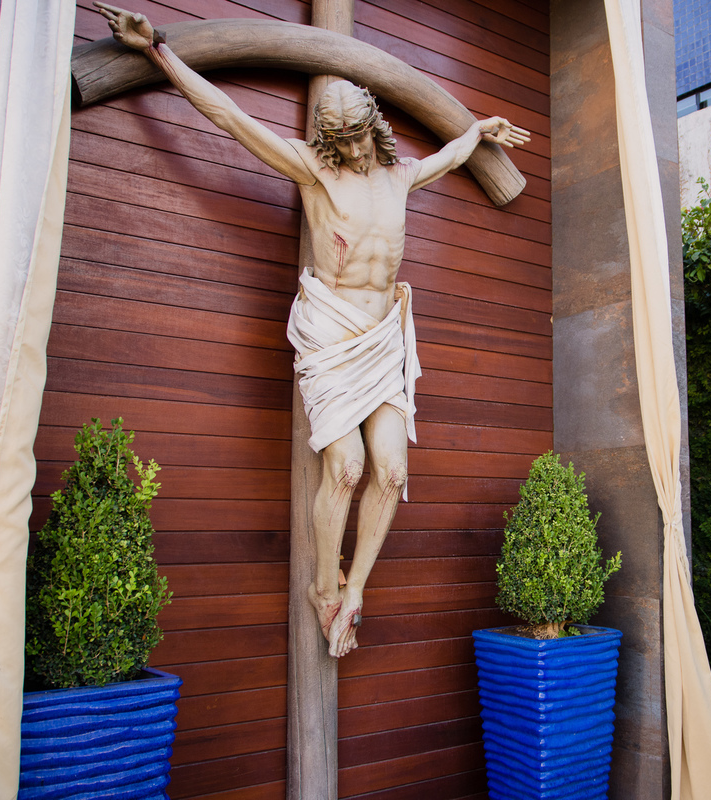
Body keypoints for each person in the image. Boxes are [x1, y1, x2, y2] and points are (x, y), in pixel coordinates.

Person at [95, 3, 530, 658]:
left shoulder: (399, 174)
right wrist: (158, 47)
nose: (353, 148)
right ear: (329, 138)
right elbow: (230, 118)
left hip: (383, 335)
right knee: (348, 467)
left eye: (359, 135)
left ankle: (358, 591)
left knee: (390, 472)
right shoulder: (313, 170)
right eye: (342, 138)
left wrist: (482, 128)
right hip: (332, 329)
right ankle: (326, 586)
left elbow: (451, 152)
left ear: (372, 128)